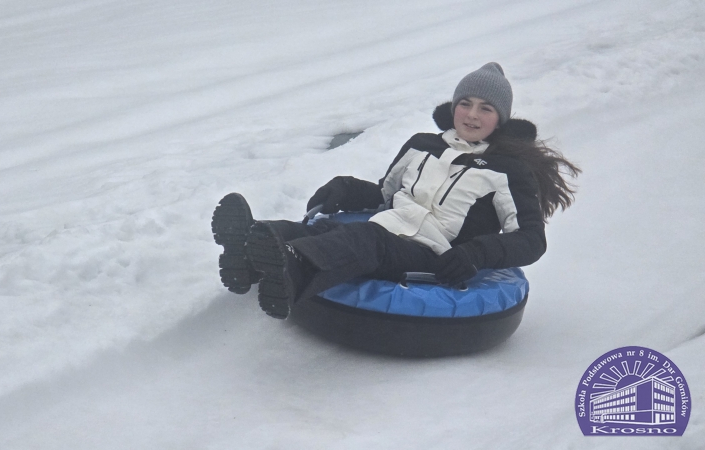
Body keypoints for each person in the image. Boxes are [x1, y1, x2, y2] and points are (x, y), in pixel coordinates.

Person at [211, 63, 581, 319]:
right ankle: (251, 245)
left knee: (365, 240)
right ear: (453, 107)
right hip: (391, 224)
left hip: (437, 255)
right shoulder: (423, 144)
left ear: (500, 119)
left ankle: (292, 266)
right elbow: (385, 195)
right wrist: (345, 188)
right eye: (465, 103)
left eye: (485, 108)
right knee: (329, 231)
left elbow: (532, 239)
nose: (471, 114)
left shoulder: (507, 169)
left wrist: (476, 253)